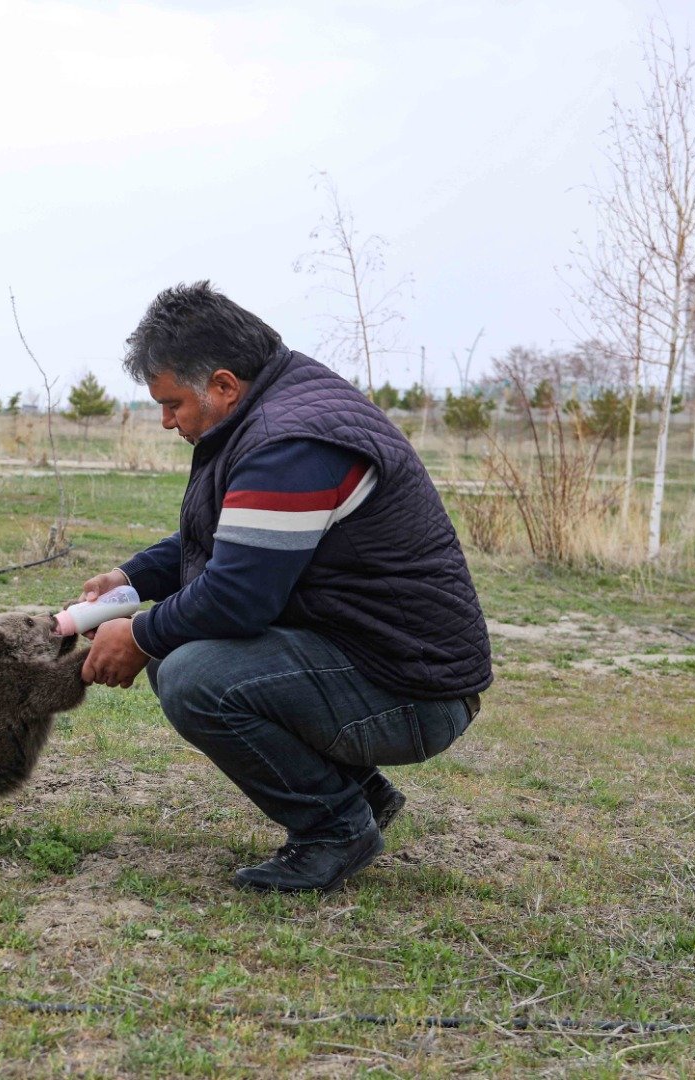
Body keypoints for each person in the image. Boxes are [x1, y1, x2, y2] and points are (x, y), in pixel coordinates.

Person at [79, 282, 491, 893]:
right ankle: (358, 793)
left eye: (172, 404)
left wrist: (138, 632)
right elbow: (237, 540)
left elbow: (236, 597)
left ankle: (335, 828)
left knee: (193, 675)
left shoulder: (289, 443)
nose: (166, 421)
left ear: (223, 385)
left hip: (414, 691)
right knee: (179, 657)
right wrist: (131, 577)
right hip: (379, 659)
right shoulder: (280, 406)